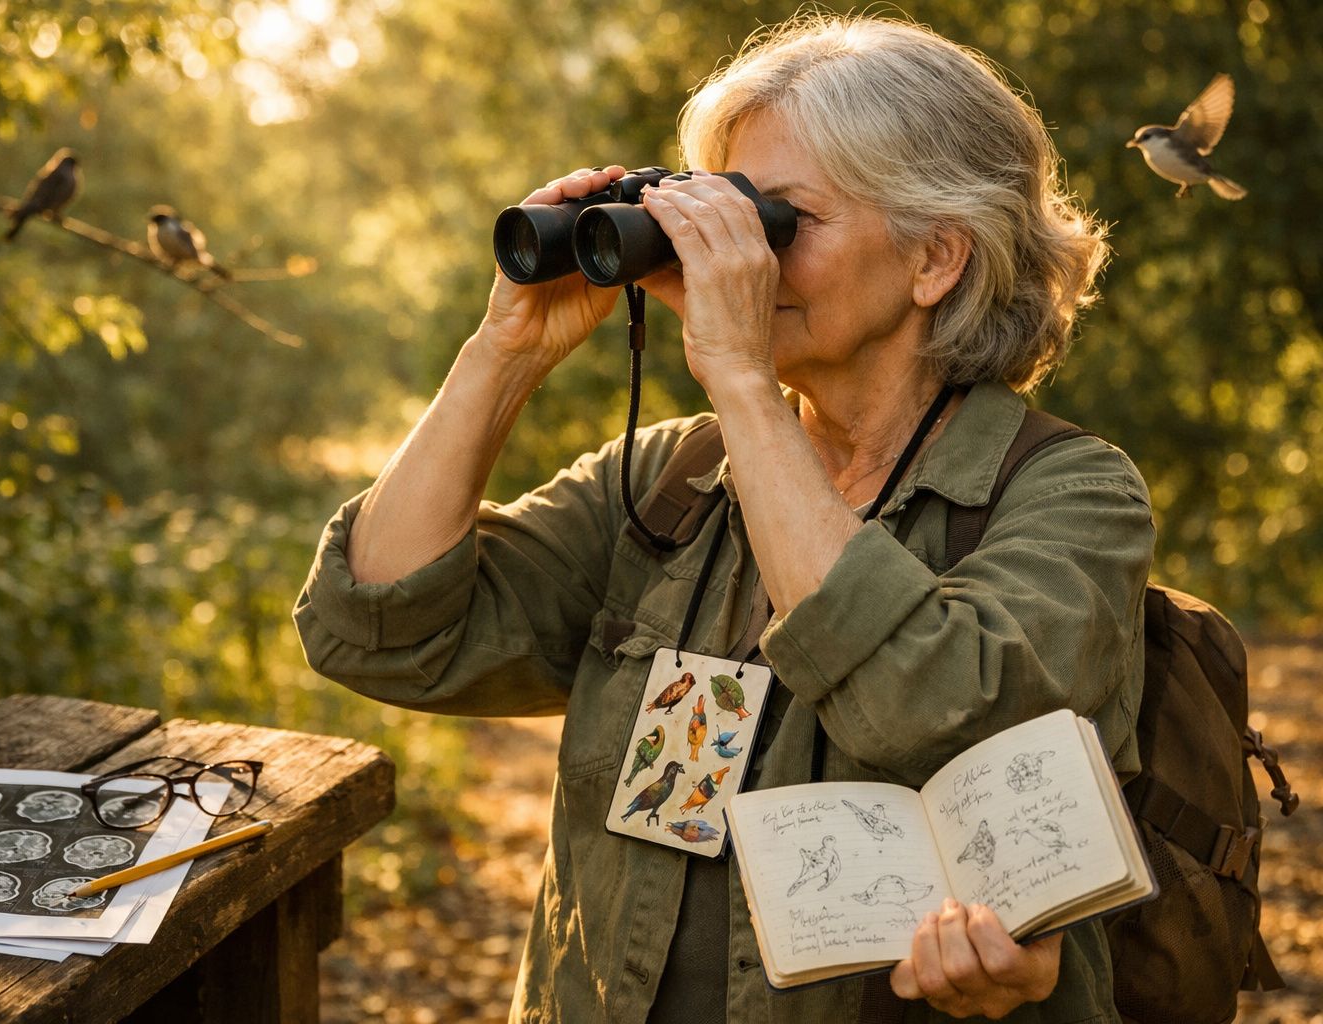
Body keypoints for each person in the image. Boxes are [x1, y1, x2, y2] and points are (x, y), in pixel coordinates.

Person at [296, 12, 1153, 1022]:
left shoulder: (1072, 496)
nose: (733, 255)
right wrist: (507, 349)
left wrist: (741, 374)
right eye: (724, 212)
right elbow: (382, 628)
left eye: (779, 221)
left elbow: (934, 707)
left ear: (935, 260)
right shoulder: (677, 481)